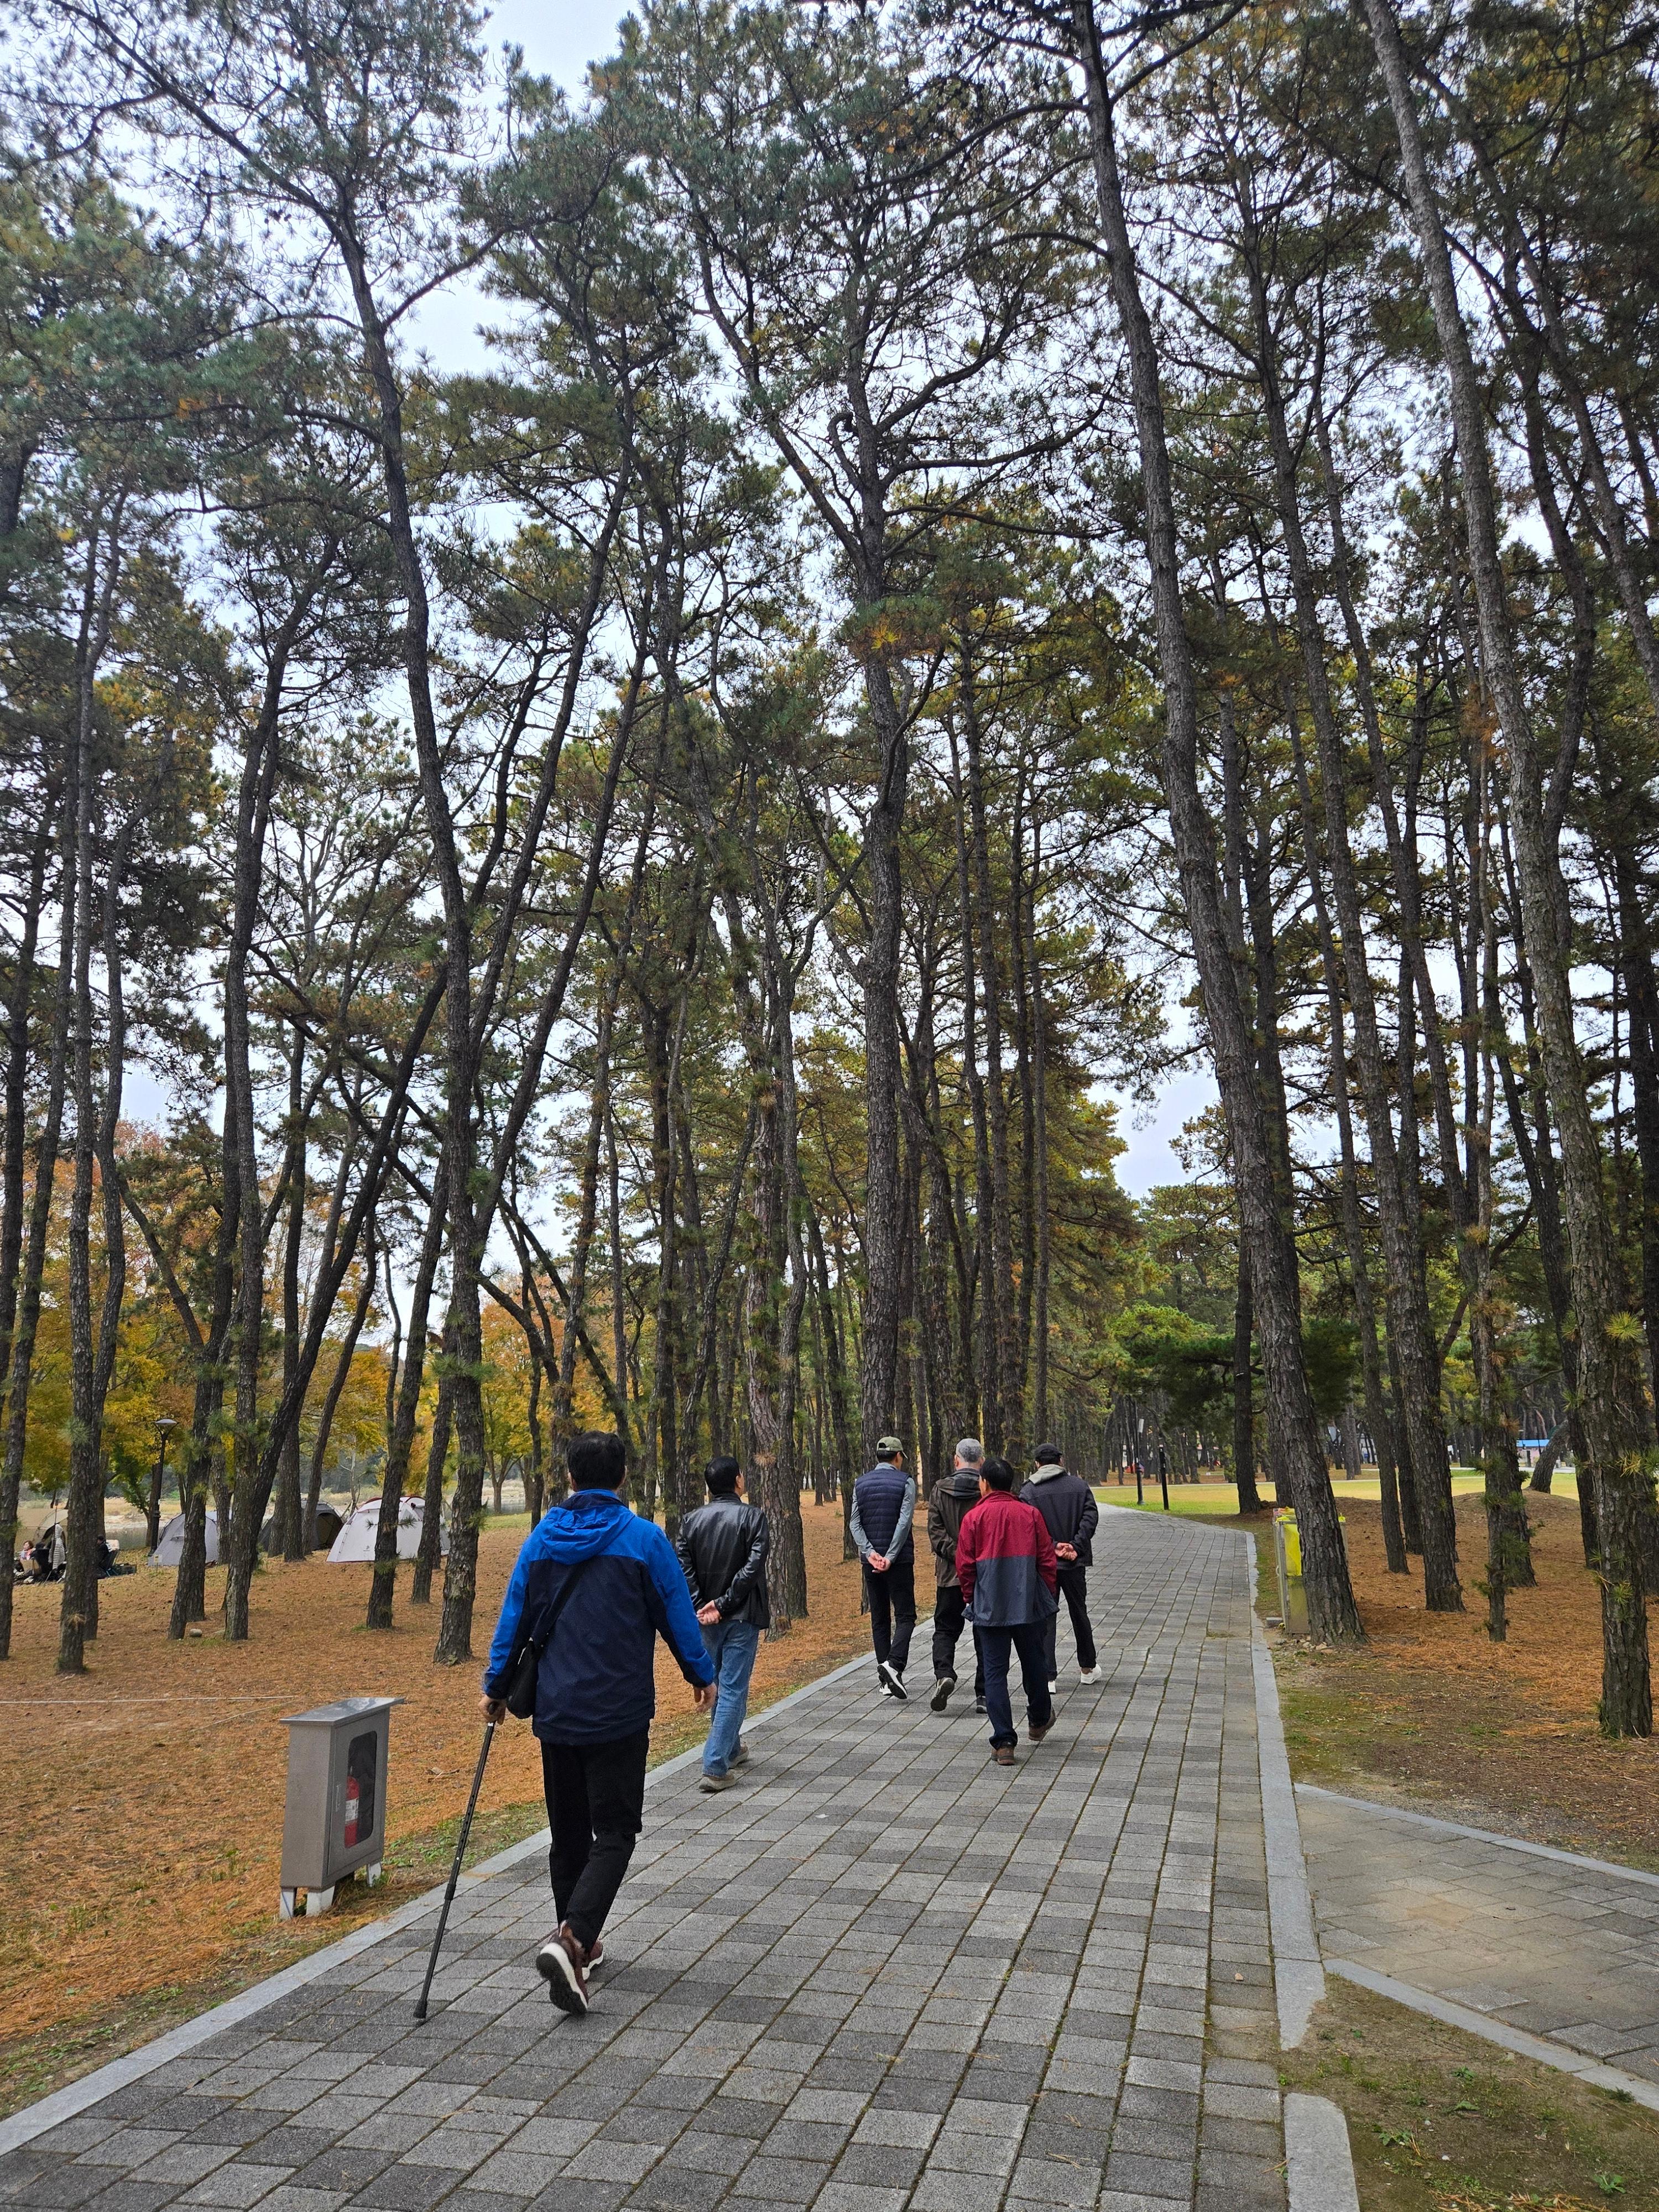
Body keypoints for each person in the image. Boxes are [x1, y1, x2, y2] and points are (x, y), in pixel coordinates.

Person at [482, 1430, 716, 2018]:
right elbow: (676, 1611)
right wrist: (701, 1673)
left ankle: (578, 1948)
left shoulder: (540, 1541)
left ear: (568, 1478)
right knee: (614, 1832)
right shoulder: (642, 1540)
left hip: (557, 1713)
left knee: (567, 1835)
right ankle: (573, 1937)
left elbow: (516, 1614)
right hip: (618, 1711)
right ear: (621, 1479)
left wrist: (495, 1686)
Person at [675, 1455, 770, 1796]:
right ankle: (715, 1766)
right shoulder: (753, 1517)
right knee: (731, 1688)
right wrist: (725, 1602)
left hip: (705, 1618)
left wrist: (703, 1603)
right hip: (741, 1616)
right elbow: (753, 1567)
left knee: (718, 1683)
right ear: (738, 1481)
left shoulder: (690, 1521)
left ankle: (731, 1749)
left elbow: (683, 1568)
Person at [954, 1453, 1057, 1766]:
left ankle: (1004, 1741)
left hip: (989, 1606)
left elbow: (965, 1566)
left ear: (983, 1483)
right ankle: (1038, 1720)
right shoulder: (1030, 1514)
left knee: (995, 1672)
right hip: (1028, 1604)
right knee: (1034, 1663)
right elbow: (1047, 1560)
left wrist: (972, 1598)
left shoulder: (974, 1518)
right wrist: (1046, 1596)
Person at [1020, 1442, 1102, 1689]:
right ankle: (1087, 1667)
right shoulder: (1080, 1486)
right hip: (1075, 1563)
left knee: (1046, 1617)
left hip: (1046, 1564)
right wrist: (1075, 1546)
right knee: (1080, 1612)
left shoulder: (1029, 1491)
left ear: (1037, 1464)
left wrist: (1054, 1546)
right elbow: (1090, 1516)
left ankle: (1048, 1676)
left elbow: (1031, 1527)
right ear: (1061, 1461)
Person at [849, 1433, 916, 1699]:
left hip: (871, 1562)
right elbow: (904, 1521)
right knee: (906, 1616)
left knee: (880, 1618)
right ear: (898, 1457)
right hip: (898, 1561)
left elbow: (855, 1523)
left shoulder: (860, 1483)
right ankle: (893, 1665)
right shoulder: (906, 1481)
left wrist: (870, 1553)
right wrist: (890, 1556)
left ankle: (885, 1682)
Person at [927, 1438, 988, 1714]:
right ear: (982, 1462)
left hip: (949, 1575)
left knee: (945, 1629)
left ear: (956, 1460)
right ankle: (984, 1694)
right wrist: (973, 1557)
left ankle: (945, 1674)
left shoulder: (939, 1490)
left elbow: (936, 1535)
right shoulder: (986, 1488)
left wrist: (958, 1555)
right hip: (983, 1575)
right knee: (985, 1633)